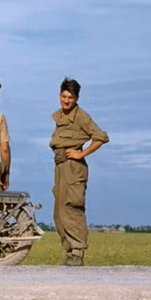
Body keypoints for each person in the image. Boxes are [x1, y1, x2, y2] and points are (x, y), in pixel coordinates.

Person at [49, 78, 108, 266]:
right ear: (59, 95)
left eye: (70, 97)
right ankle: (69, 252)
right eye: (64, 96)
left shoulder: (81, 116)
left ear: (77, 98)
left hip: (73, 168)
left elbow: (101, 137)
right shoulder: (59, 116)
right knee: (59, 212)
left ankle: (77, 252)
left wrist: (81, 153)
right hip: (60, 167)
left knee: (72, 209)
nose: (66, 101)